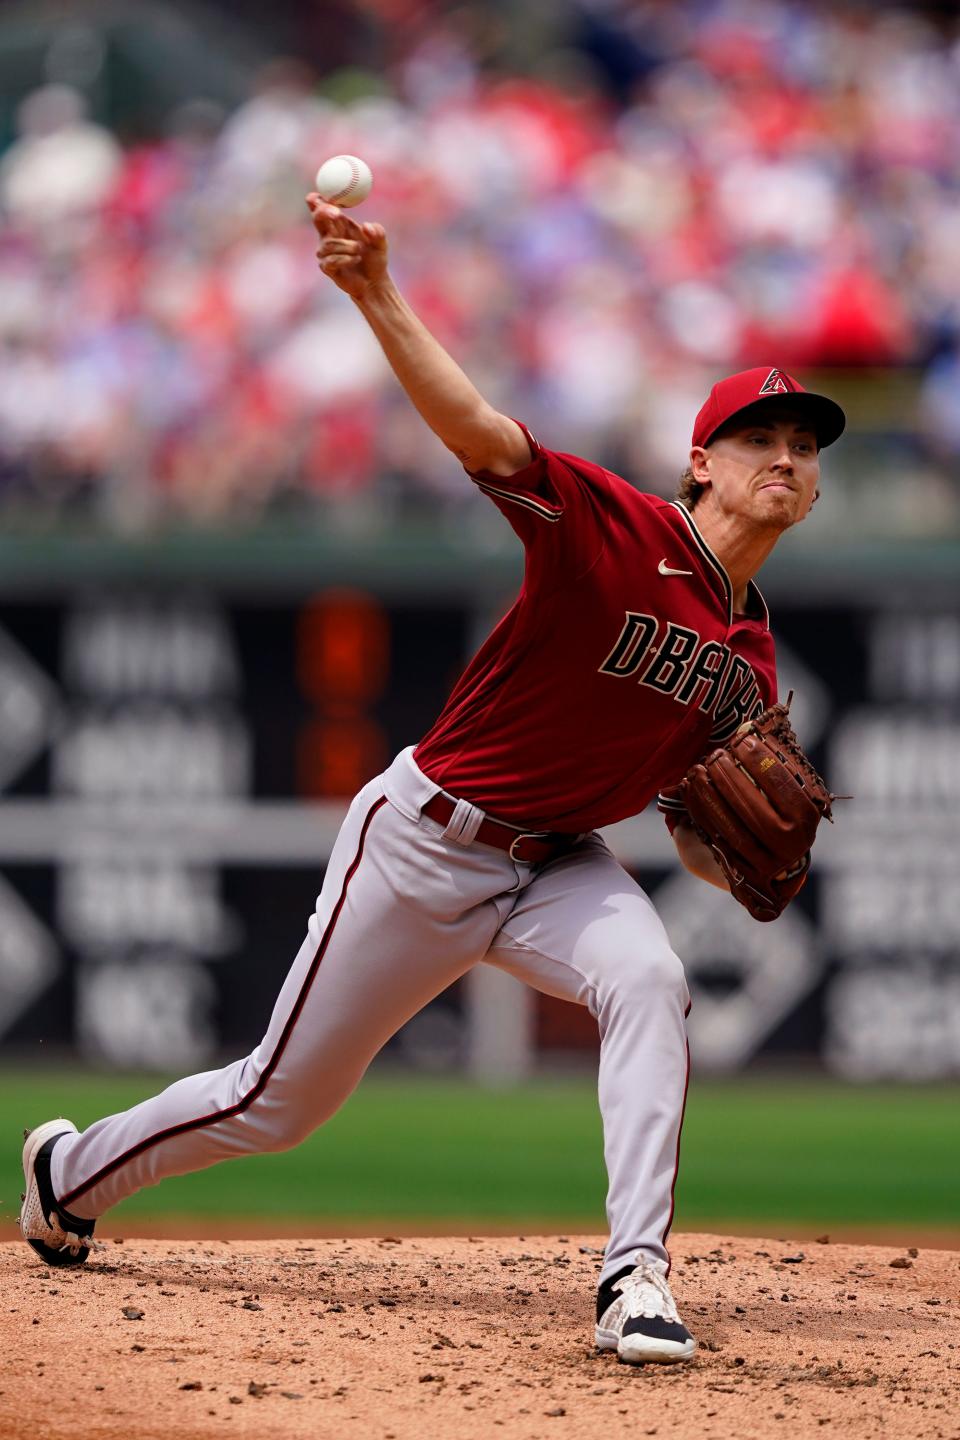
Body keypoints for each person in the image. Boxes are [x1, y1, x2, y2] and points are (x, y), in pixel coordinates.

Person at [19, 196, 845, 1367]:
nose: (787, 458)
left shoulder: (751, 657)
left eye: (805, 449)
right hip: (425, 841)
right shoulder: (613, 527)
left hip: (558, 861)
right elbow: (475, 430)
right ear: (703, 462)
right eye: (763, 438)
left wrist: (738, 858)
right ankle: (69, 1170)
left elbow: (699, 835)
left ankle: (636, 1275)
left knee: (649, 979)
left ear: (813, 493)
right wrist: (374, 293)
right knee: (278, 1104)